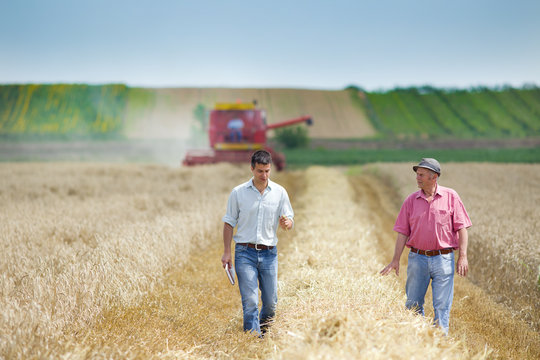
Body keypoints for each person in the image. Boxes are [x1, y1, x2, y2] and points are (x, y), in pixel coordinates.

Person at [380, 158, 471, 335]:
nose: (417, 178)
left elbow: (462, 228)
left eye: (421, 175)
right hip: (417, 259)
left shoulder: (451, 197)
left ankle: (441, 345)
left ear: (434, 176)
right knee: (413, 304)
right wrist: (395, 260)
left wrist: (463, 256)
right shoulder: (411, 200)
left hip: (444, 259)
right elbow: (402, 232)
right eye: (417, 174)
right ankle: (417, 341)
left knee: (442, 306)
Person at [221, 150, 294, 336]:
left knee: (271, 303)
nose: (264, 175)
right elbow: (229, 222)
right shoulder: (238, 193)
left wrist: (287, 223)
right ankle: (253, 340)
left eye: (268, 171)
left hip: (269, 253)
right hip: (245, 253)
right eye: (260, 171)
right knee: (251, 301)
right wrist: (227, 252)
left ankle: (263, 331)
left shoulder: (279, 192)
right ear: (252, 169)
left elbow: (289, 220)